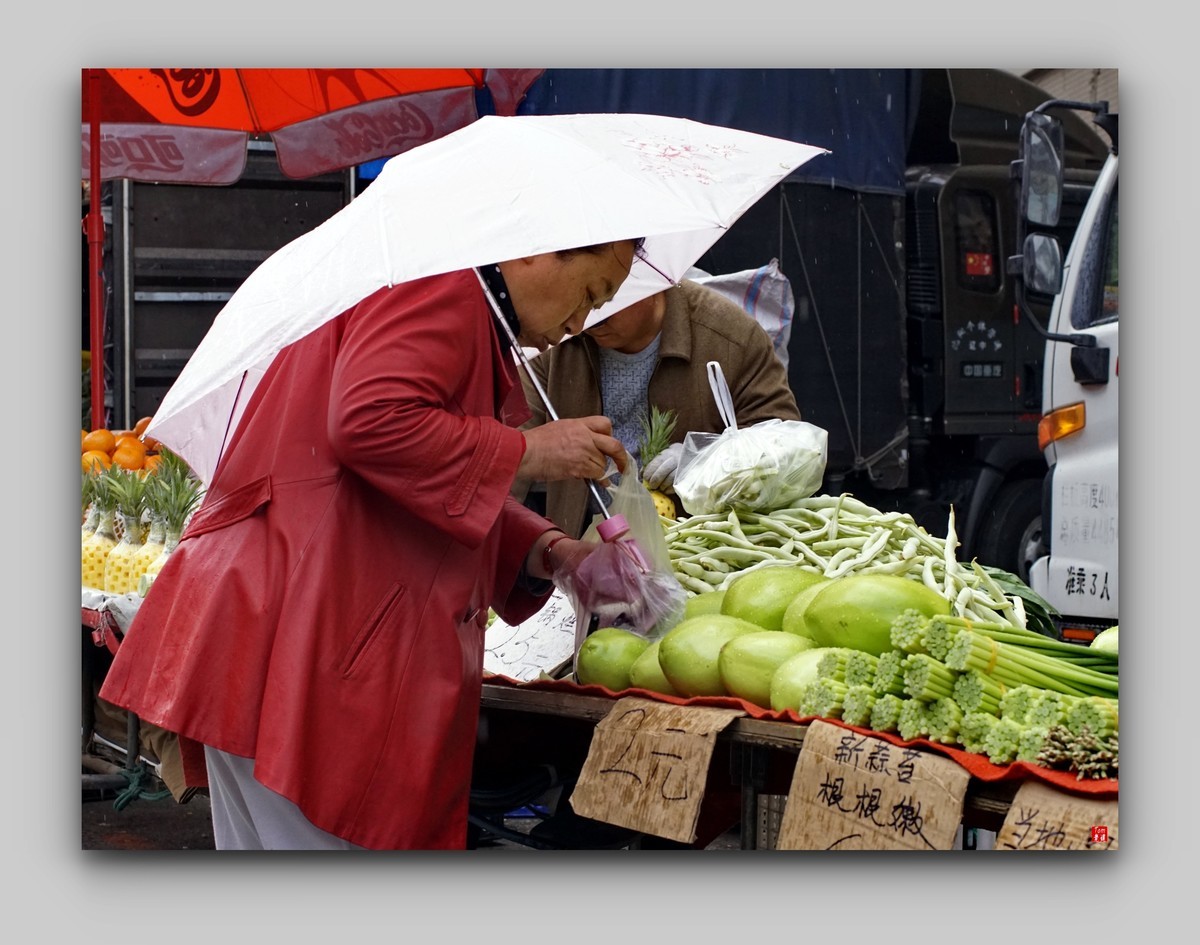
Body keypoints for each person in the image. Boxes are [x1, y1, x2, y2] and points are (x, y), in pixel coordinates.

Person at [99, 240, 645, 850]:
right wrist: (530, 449)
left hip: (276, 632)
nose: (578, 325)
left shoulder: (442, 287)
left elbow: (414, 482)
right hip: (308, 645)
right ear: (537, 253)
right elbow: (370, 421)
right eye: (590, 294)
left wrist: (551, 551)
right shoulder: (439, 280)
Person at [516, 278, 802, 538]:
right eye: (583, 296)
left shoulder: (731, 336)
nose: (586, 317)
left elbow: (791, 453)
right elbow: (508, 456)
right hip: (584, 551)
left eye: (605, 293)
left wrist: (710, 462)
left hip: (704, 551)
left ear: (649, 278)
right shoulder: (553, 339)